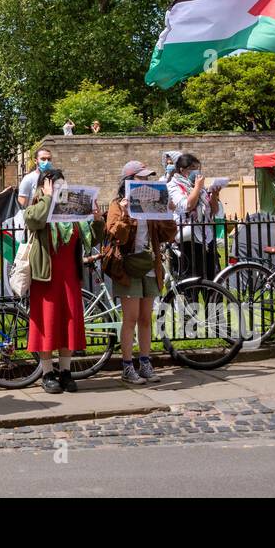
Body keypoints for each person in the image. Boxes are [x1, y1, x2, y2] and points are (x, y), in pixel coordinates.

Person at [23, 166, 102, 394]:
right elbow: (33, 220)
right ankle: (47, 372)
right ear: (44, 186)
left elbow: (92, 238)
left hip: (69, 275)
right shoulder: (39, 205)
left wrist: (96, 220)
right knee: (47, 325)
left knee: (68, 323)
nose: (61, 189)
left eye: (63, 185)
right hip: (46, 277)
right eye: (56, 185)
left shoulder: (73, 208)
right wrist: (48, 198)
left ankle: (65, 371)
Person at [104, 161, 171, 385]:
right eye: (141, 178)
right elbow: (116, 237)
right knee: (130, 318)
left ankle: (145, 362)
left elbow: (167, 235)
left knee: (145, 318)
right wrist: (124, 214)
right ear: (129, 181)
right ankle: (126, 365)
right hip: (127, 267)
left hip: (149, 265)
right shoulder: (116, 204)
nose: (146, 182)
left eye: (147, 179)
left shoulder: (150, 204)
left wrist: (167, 213)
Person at [167, 153, 219, 282]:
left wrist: (214, 196)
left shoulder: (198, 187)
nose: (196, 171)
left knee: (212, 282)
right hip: (188, 241)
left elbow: (214, 211)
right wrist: (197, 187)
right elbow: (187, 205)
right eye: (193, 168)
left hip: (206, 238)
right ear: (182, 170)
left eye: (198, 168)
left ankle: (212, 302)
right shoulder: (173, 186)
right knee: (192, 283)